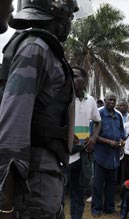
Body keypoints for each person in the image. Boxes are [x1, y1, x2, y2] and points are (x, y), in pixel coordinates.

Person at [0, 1, 79, 218]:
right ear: (57, 11)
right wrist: (5, 204)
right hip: (33, 184)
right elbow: (13, 125)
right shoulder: (35, 48)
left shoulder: (43, 49)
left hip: (44, 177)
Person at [69, 66, 101, 219]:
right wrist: (66, 135)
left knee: (78, 194)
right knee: (58, 194)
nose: (72, 79)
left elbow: (98, 122)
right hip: (64, 155)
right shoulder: (62, 97)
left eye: (75, 76)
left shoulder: (91, 100)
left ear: (84, 80)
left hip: (83, 155)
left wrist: (94, 138)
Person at [92, 91, 126, 218]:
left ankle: (109, 208)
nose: (112, 102)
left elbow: (122, 134)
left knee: (112, 184)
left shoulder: (118, 116)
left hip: (114, 156)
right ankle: (96, 209)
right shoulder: (99, 114)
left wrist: (122, 142)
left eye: (114, 100)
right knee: (98, 184)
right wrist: (109, 142)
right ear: (105, 101)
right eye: (109, 100)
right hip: (101, 155)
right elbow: (93, 135)